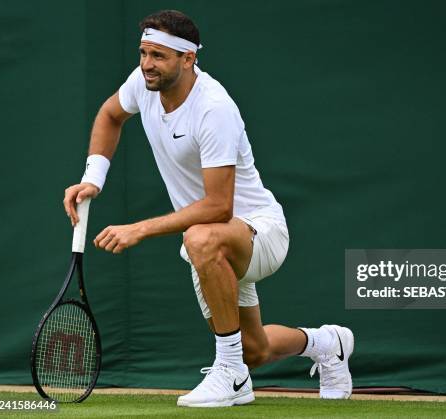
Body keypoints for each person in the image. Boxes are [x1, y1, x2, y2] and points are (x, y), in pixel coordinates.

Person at [63, 9, 354, 408]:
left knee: (198, 238)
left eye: (159, 56)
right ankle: (326, 342)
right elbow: (110, 115)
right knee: (255, 349)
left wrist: (140, 229)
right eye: (143, 53)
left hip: (258, 231)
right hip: (214, 245)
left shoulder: (214, 109)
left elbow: (219, 206)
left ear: (188, 58)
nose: (147, 64)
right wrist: (93, 176)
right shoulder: (141, 83)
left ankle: (231, 376)